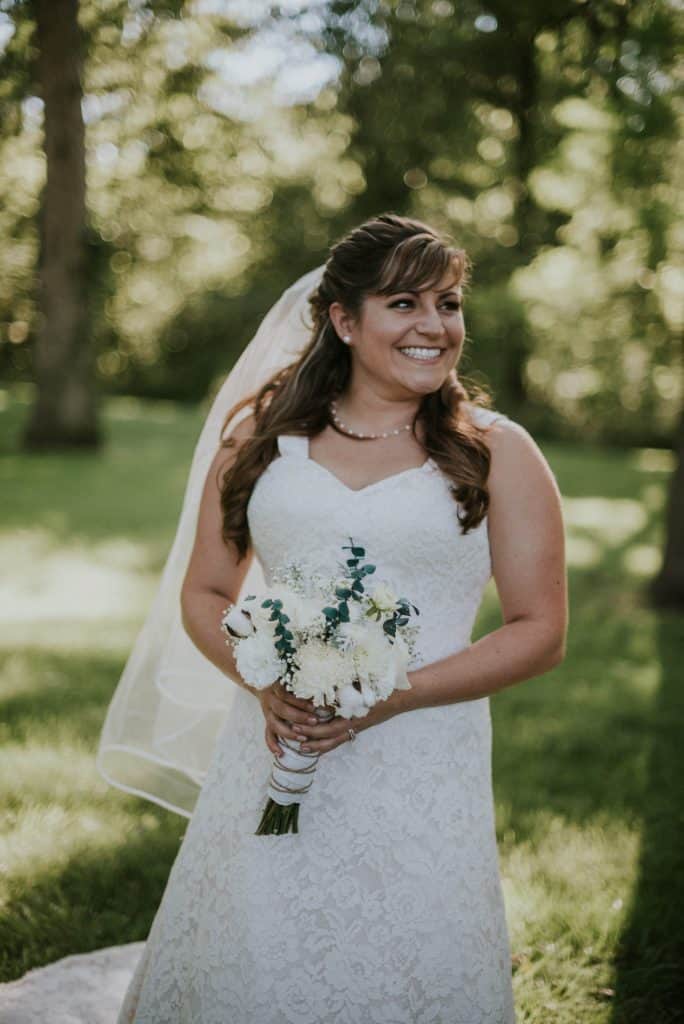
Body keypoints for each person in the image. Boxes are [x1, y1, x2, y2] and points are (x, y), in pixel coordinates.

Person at [109, 212, 567, 1023]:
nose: (435, 326)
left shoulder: (499, 450)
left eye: (450, 303)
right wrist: (267, 687)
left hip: (423, 755)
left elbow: (539, 629)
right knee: (255, 950)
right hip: (272, 748)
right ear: (343, 320)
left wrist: (394, 696)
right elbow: (207, 593)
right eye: (405, 304)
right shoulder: (261, 438)